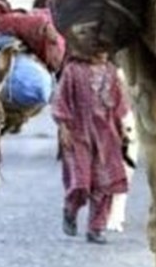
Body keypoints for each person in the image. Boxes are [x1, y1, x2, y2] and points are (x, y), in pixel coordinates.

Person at [53, 50, 130, 244]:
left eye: (106, 48)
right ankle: (70, 209)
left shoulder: (111, 72)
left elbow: (119, 104)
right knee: (81, 181)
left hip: (107, 135)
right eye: (98, 47)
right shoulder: (73, 71)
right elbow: (61, 99)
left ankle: (96, 228)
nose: (103, 52)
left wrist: (123, 131)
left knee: (105, 183)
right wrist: (63, 127)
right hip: (78, 133)